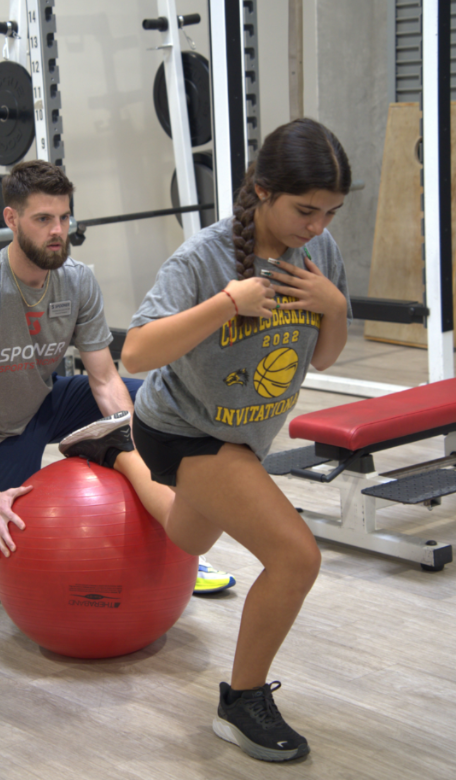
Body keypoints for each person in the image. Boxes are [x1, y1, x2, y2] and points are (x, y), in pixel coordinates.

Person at [0, 160, 234, 598]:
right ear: (12, 220)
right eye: (44, 219)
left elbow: (105, 380)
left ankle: (181, 541)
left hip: (47, 403)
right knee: (6, 579)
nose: (58, 231)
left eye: (64, 217)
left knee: (148, 403)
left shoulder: (78, 281)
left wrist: (139, 447)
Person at [119, 118, 353, 762]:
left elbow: (326, 359)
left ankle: (113, 452)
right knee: (297, 557)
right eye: (306, 210)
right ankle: (240, 702)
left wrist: (333, 304)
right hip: (182, 427)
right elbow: (136, 353)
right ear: (263, 190)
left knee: (189, 538)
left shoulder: (318, 254)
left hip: (244, 432)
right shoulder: (205, 257)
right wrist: (228, 302)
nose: (318, 227)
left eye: (331, 212)